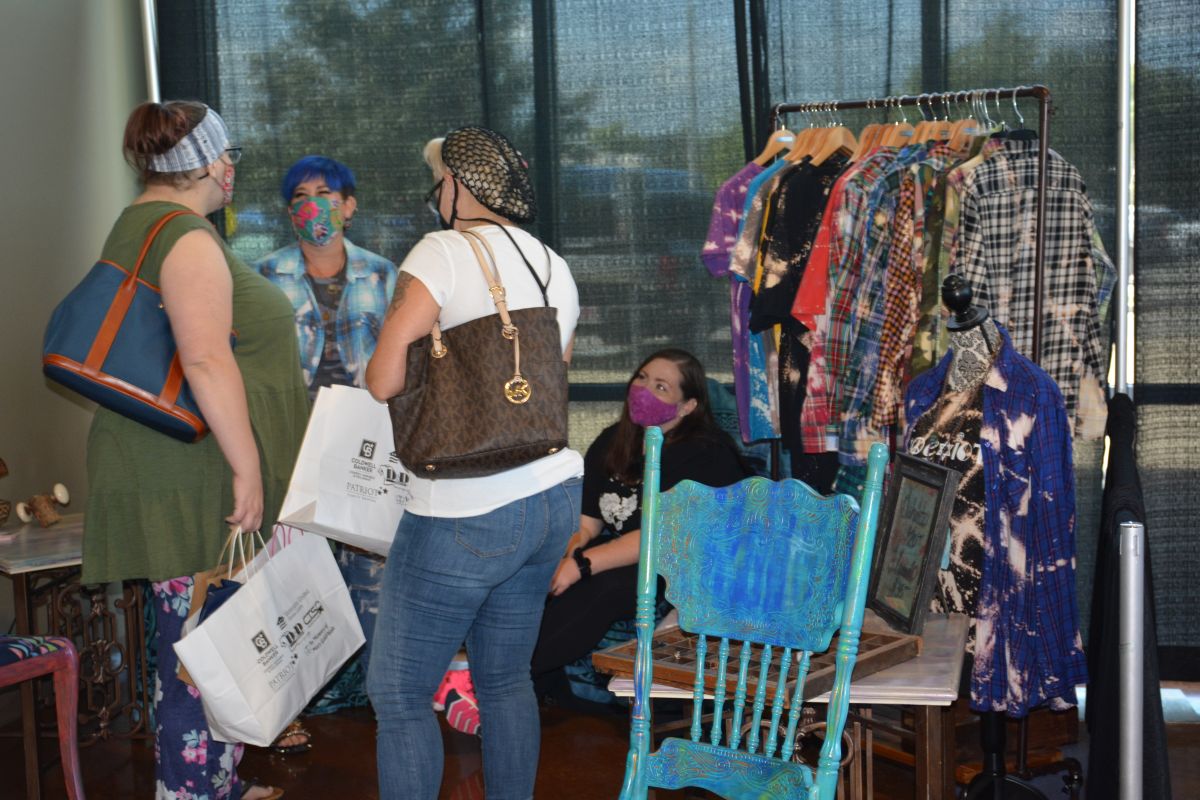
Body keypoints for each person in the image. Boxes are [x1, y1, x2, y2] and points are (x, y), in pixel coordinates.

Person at [82, 100, 307, 800]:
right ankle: (188, 792)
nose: (233, 167)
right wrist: (248, 468)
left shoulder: (149, 223)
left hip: (184, 466)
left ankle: (216, 781)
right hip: (193, 475)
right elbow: (206, 360)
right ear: (211, 164)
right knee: (200, 651)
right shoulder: (183, 236)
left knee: (216, 637)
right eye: (228, 154)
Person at [365, 126, 582, 800]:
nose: (436, 197)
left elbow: (382, 380)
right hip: (551, 497)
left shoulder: (442, 252)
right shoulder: (553, 265)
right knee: (505, 679)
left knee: (399, 693)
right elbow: (552, 381)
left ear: (457, 186)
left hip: (465, 507)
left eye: (438, 183)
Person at [256, 156, 397, 751]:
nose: (314, 205)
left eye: (326, 193)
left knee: (375, 581)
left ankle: (391, 706)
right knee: (289, 581)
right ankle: (283, 712)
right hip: (293, 449)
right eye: (300, 196)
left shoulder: (384, 275)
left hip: (363, 448)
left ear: (349, 205)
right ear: (289, 211)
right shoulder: (263, 276)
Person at [531, 348, 751, 705]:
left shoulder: (706, 453)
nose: (644, 390)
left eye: (661, 387)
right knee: (543, 569)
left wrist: (581, 565)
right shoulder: (613, 440)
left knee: (605, 586)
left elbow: (659, 536)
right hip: (625, 553)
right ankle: (537, 685)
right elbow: (587, 523)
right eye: (642, 378)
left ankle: (508, 677)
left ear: (687, 406)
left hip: (688, 566)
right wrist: (568, 554)